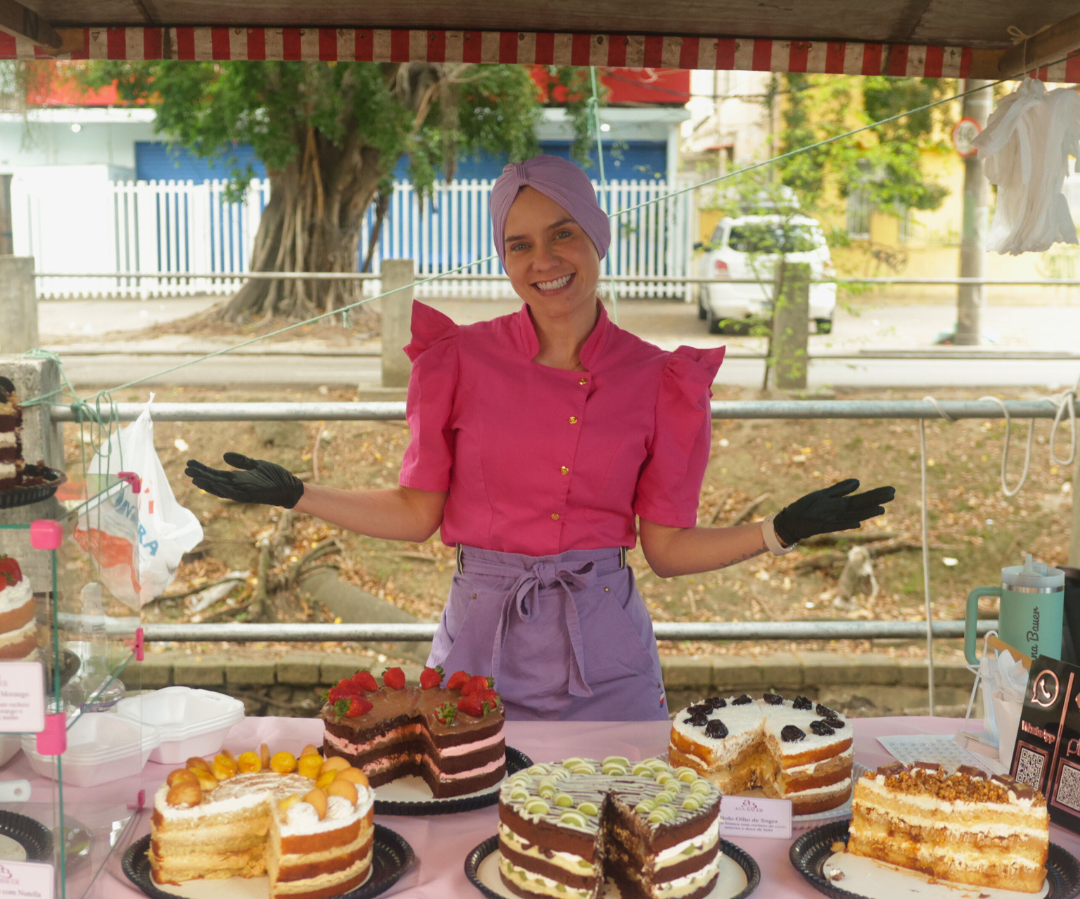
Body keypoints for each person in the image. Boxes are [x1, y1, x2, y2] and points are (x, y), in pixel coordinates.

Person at [186, 155, 894, 722]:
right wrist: (296, 494)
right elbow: (415, 513)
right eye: (519, 244)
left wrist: (781, 529)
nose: (545, 259)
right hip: (478, 652)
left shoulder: (662, 380)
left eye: (563, 233)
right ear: (503, 258)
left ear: (596, 237)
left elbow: (669, 551)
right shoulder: (456, 360)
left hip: (608, 659)